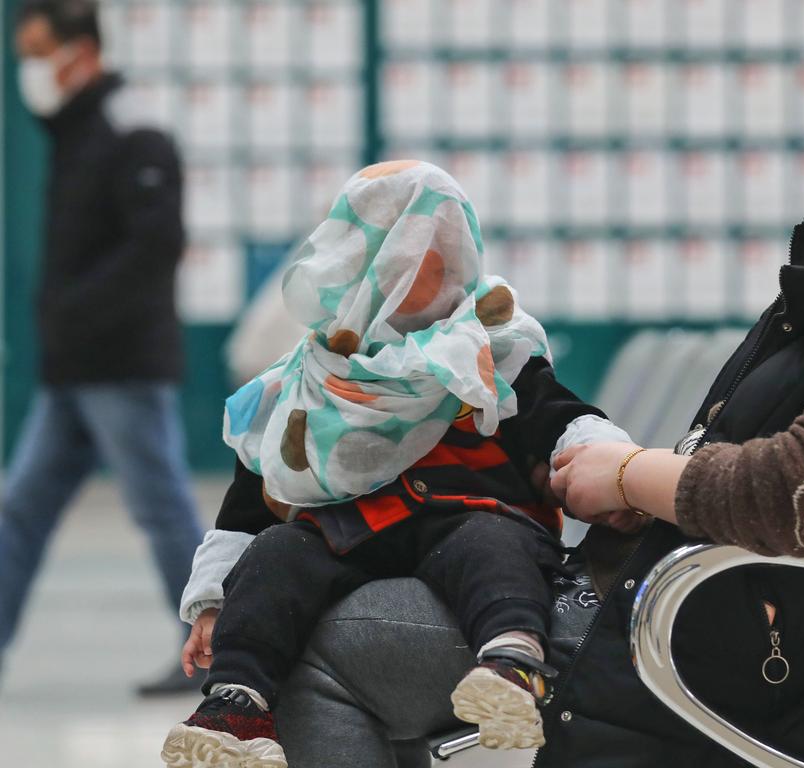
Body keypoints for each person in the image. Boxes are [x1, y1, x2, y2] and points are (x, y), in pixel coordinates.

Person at [259, 15, 804, 768]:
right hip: (717, 621)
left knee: (323, 653)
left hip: (711, 650)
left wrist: (628, 475)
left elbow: (801, 492)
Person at [161, 161, 635, 767]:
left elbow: (556, 416)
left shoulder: (489, 346)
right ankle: (236, 702)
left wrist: (606, 455)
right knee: (277, 553)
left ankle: (513, 661)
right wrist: (210, 600)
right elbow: (257, 490)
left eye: (440, 251)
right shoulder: (313, 377)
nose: (423, 266)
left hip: (475, 511)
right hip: (350, 528)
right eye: (399, 251)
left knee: (494, 546)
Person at [1, 0, 205, 696]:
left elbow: (156, 246)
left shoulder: (132, 127)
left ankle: (217, 651)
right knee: (20, 509)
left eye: (37, 52)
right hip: (72, 369)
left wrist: (76, 313)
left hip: (121, 365)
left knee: (160, 507)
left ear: (81, 50)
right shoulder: (76, 126)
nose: (28, 69)